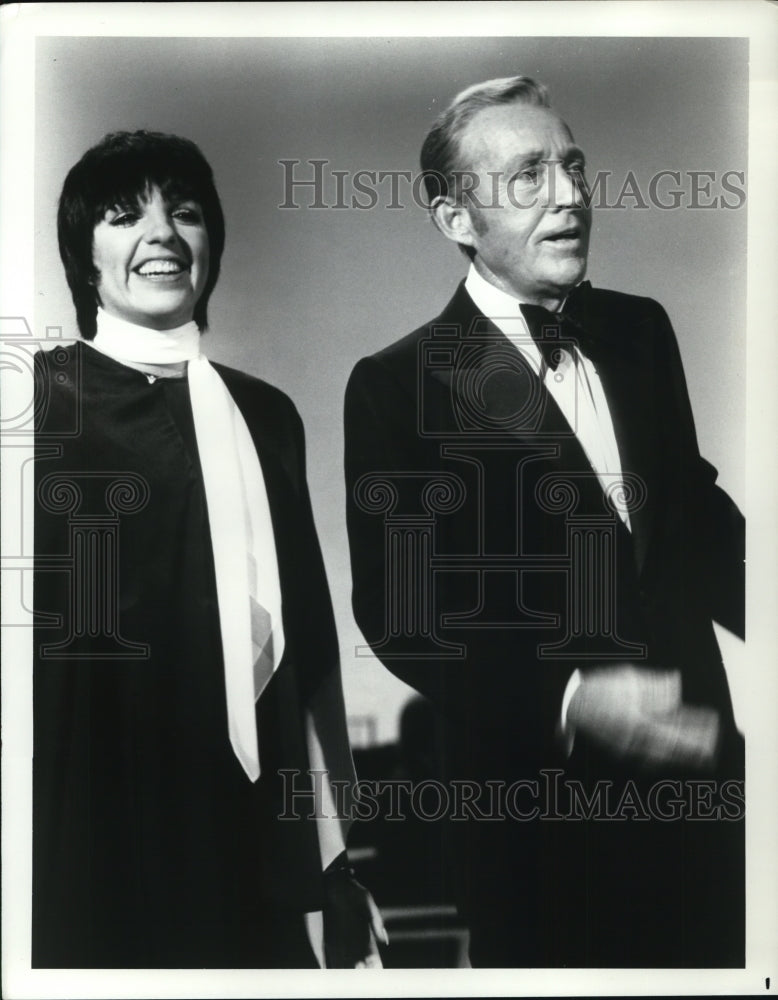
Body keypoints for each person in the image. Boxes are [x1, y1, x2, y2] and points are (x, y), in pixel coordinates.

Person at [344, 76, 745, 967]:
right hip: (542, 831)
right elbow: (406, 617)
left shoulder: (643, 331)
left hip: (710, 797)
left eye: (573, 166)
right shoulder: (396, 384)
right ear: (455, 219)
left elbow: (696, 514)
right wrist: (571, 698)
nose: (570, 195)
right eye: (529, 176)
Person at [33, 130, 385, 969]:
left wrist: (334, 865)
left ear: (212, 243)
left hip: (244, 821)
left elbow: (306, 652)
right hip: (85, 814)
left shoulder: (267, 416)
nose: (162, 234)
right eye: (125, 217)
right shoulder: (36, 400)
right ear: (85, 258)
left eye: (184, 213)